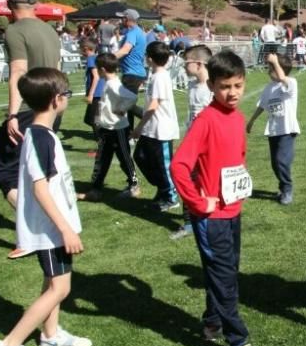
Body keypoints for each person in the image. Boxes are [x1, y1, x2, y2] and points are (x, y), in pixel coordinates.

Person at [0, 68, 89, 346]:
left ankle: (51, 334)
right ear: (57, 100)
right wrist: (65, 228)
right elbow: (40, 187)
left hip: (52, 226)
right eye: (67, 94)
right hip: (51, 229)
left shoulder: (39, 134)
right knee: (60, 287)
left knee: (52, 282)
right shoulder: (41, 137)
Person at [170, 50, 269, 346]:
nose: (233, 93)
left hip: (232, 211)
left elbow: (235, 158)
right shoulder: (206, 120)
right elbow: (179, 166)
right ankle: (239, 342)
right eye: (225, 86)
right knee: (225, 278)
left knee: (226, 273)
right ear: (211, 85)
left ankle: (212, 322)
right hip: (211, 218)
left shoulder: (238, 118)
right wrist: (199, 203)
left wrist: (237, 186)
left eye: (238, 85)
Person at [0, 0, 63, 259]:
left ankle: (35, 231)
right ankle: (42, 227)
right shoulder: (49, 30)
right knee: (37, 172)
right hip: (52, 106)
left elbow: (18, 71)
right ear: (36, 3)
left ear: (9, 6)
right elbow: (56, 70)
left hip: (29, 107)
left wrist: (12, 113)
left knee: (6, 173)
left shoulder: (14, 31)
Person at [80, 53, 140, 202]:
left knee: (124, 157)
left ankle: (134, 186)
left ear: (102, 69)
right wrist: (99, 119)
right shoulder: (109, 82)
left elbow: (132, 97)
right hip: (106, 128)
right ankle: (96, 188)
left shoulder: (113, 84)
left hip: (118, 128)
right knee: (102, 159)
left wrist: (121, 109)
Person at [170, 44, 214, 240]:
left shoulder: (212, 89)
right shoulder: (191, 85)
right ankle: (189, 222)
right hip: (191, 144)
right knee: (185, 179)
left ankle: (207, 219)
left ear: (198, 64)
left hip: (206, 147)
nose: (184, 66)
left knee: (206, 183)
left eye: (186, 62)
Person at [131, 41, 181, 211]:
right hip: (151, 128)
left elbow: (154, 105)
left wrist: (138, 127)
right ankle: (162, 187)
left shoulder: (161, 76)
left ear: (149, 58)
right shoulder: (154, 76)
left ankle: (171, 196)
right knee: (140, 156)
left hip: (161, 130)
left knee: (164, 165)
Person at [247, 53, 300, 206]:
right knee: (275, 164)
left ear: (279, 69)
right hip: (273, 130)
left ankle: (287, 189)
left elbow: (283, 78)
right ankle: (283, 187)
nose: (268, 71)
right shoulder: (269, 88)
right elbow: (262, 106)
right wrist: (251, 121)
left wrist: (275, 62)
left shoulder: (291, 82)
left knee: (281, 161)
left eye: (271, 68)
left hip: (287, 130)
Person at [113, 8, 147, 129]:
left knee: (127, 104)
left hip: (133, 74)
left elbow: (125, 50)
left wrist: (109, 58)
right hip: (132, 73)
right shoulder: (135, 32)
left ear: (127, 19)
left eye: (122, 18)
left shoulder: (133, 33)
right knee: (128, 103)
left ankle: (150, 118)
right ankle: (129, 132)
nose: (120, 20)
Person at [81, 39, 102, 140]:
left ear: (86, 49)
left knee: (94, 120)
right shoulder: (97, 57)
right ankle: (102, 134)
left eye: (82, 49)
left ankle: (101, 140)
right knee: (88, 119)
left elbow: (96, 77)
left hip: (97, 94)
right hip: (100, 92)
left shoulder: (91, 59)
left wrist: (90, 94)